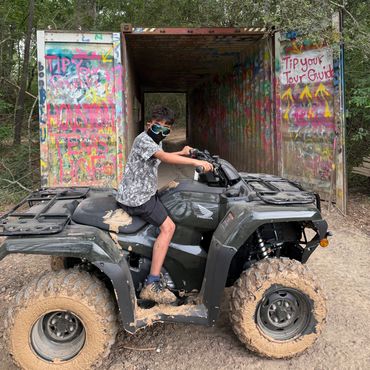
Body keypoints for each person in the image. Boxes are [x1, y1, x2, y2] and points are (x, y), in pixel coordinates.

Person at [116, 105, 213, 304]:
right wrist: (195, 163)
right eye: (157, 126)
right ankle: (152, 282)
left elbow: (161, 156)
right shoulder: (143, 140)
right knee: (169, 227)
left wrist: (183, 152)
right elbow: (165, 158)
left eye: (166, 128)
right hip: (138, 198)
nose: (161, 130)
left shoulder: (153, 140)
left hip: (143, 192)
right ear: (149, 124)